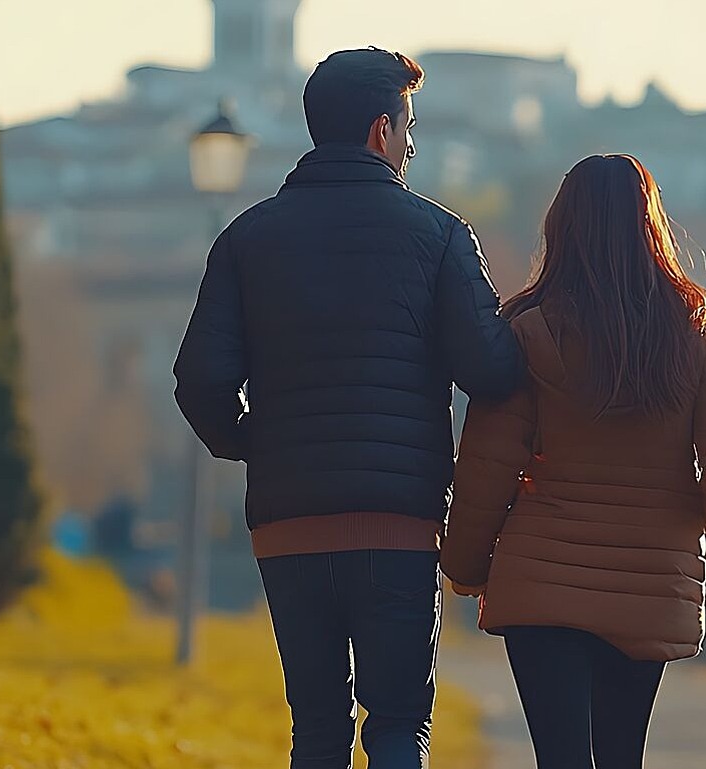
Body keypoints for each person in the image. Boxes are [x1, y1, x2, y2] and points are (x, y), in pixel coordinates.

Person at [173, 47, 522, 769]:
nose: (413, 142)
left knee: (318, 729)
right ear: (380, 131)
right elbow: (492, 369)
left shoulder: (247, 238)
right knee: (398, 724)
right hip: (398, 522)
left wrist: (253, 442)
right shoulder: (439, 236)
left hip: (288, 523)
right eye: (409, 125)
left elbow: (200, 378)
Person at [441, 154, 706, 769]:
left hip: (541, 582)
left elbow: (487, 465)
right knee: (621, 755)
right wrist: (692, 520)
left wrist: (466, 566)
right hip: (647, 583)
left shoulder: (531, 331)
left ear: (562, 228)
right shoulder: (690, 329)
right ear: (651, 226)